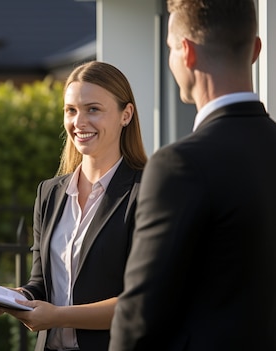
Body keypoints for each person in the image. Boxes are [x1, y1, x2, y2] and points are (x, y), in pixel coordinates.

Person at [109, 1, 276, 350]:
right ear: (256, 49)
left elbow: (138, 319)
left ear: (186, 53)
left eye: (170, 47)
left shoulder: (179, 165)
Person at [0, 60, 148, 351]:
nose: (79, 122)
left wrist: (57, 316)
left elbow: (140, 302)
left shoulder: (146, 192)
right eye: (71, 110)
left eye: (93, 109)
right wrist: (14, 297)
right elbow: (40, 285)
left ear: (126, 114)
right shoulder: (50, 193)